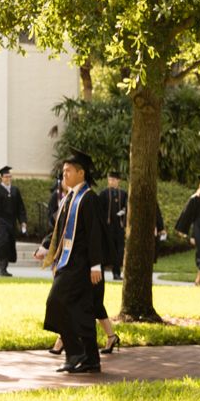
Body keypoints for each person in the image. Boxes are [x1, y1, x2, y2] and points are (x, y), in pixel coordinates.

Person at [35, 150, 118, 373]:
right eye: (63, 171)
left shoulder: (88, 199)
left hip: (81, 266)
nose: (64, 175)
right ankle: (91, 359)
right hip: (68, 262)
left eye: (68, 171)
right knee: (82, 312)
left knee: (56, 303)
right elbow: (58, 229)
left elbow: (95, 234)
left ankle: (74, 352)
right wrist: (45, 246)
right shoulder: (69, 198)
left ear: (81, 173)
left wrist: (95, 265)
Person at [0, 166, 23, 277]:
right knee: (2, 245)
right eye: (6, 176)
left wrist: (22, 220)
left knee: (9, 244)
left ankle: (5, 268)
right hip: (0, 223)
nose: (8, 178)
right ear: (1, 177)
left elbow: (20, 207)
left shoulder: (15, 190)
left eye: (10, 176)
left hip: (11, 222)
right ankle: (1, 268)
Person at [100, 171, 129, 280]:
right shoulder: (103, 193)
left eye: (113, 180)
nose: (111, 182)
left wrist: (123, 212)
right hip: (108, 227)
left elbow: (127, 206)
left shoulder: (123, 194)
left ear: (118, 181)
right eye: (110, 179)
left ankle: (116, 273)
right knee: (105, 248)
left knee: (119, 250)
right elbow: (99, 209)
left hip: (119, 226)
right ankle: (101, 270)